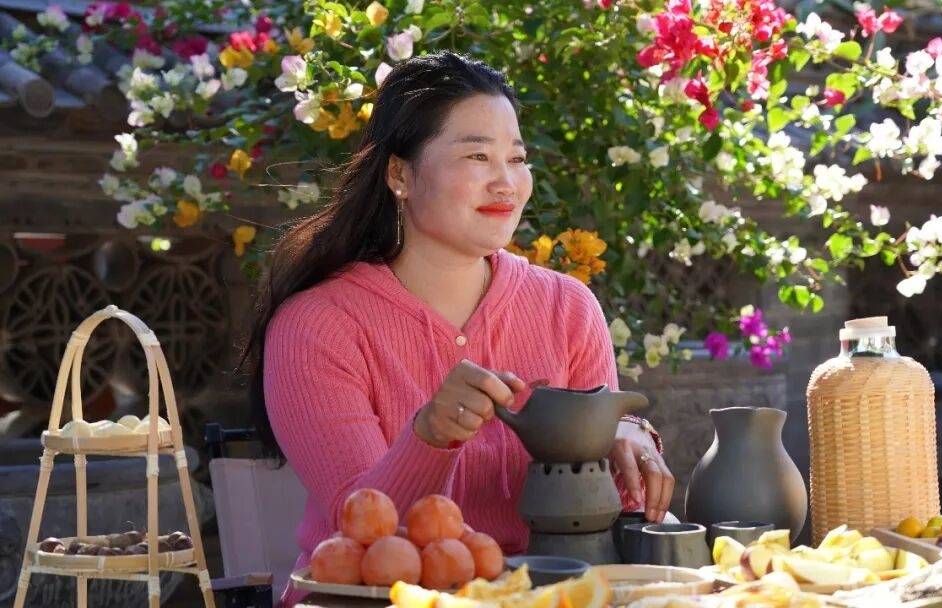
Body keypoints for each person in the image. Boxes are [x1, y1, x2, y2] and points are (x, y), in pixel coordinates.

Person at [243, 51, 673, 605]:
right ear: (399, 174)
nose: (507, 183)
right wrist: (429, 435)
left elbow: (599, 513)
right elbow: (362, 534)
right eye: (477, 156)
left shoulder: (567, 307)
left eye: (516, 159)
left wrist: (625, 436)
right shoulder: (317, 325)